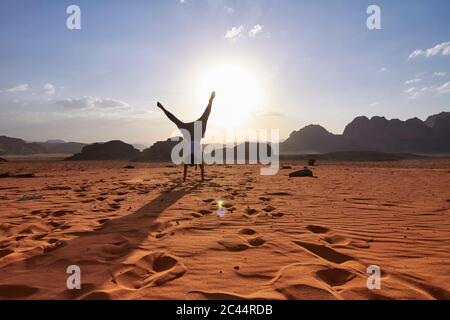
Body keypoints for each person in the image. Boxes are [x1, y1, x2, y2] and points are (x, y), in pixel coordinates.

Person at [156, 91, 215, 182]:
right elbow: (187, 169)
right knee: (176, 120)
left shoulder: (196, 156)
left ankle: (210, 101)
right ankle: (162, 108)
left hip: (195, 132)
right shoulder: (189, 156)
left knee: (205, 116)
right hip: (188, 131)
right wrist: (185, 179)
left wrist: (200, 179)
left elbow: (201, 169)